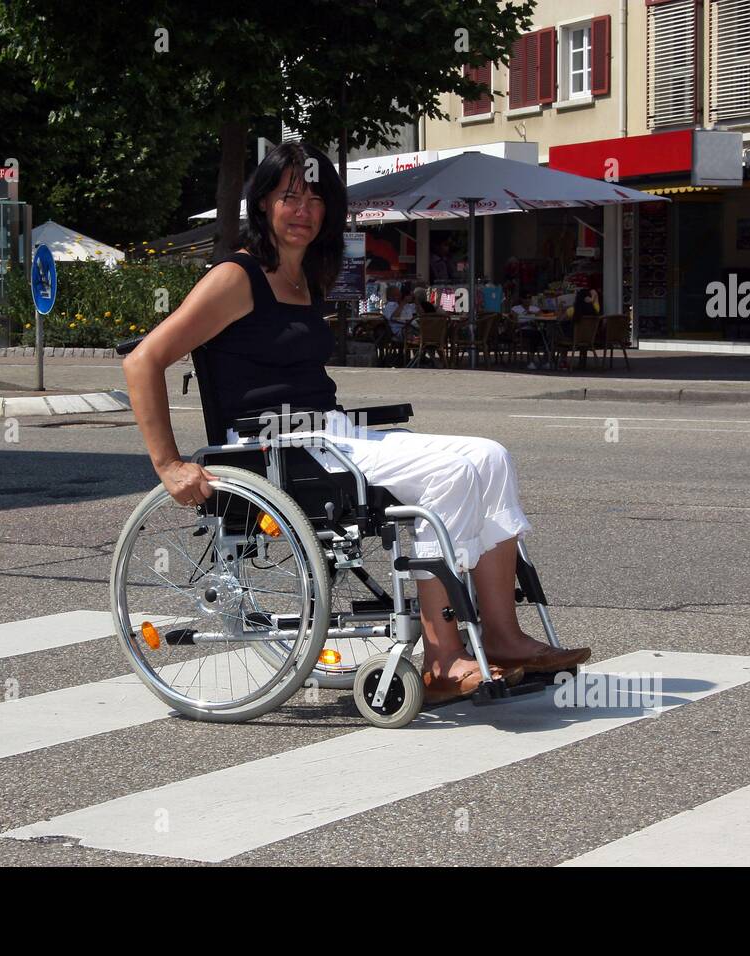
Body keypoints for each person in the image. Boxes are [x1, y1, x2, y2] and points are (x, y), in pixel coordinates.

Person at [122, 141, 590, 705]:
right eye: (289, 196)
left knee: (489, 455)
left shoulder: (305, 281)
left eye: (317, 199)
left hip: (328, 434)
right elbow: (142, 359)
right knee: (448, 474)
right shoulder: (236, 277)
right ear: (262, 203)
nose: (304, 210)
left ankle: (503, 635)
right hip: (278, 445)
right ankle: (443, 658)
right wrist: (169, 464)